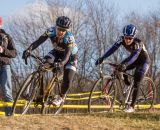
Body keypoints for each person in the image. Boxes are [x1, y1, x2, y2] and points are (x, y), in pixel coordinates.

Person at [22, 16, 78, 106]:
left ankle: (61, 97)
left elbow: (67, 55)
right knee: (43, 64)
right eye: (59, 29)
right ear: (56, 27)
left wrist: (61, 63)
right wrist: (29, 49)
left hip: (70, 57)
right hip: (57, 52)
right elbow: (38, 41)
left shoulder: (69, 38)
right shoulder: (50, 31)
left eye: (63, 30)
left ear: (66, 30)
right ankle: (30, 91)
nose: (60, 32)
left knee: (68, 78)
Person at [95, 24, 150, 113]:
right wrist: (102, 57)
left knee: (137, 81)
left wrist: (126, 64)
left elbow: (134, 56)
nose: (127, 40)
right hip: (134, 59)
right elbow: (112, 49)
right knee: (118, 68)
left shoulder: (138, 43)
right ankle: (127, 84)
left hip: (143, 61)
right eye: (126, 37)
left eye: (130, 38)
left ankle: (132, 107)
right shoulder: (121, 39)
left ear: (133, 37)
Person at [0, 16, 17, 116]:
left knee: (7, 91)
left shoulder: (6, 37)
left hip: (5, 66)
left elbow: (14, 53)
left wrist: (3, 50)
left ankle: (9, 115)